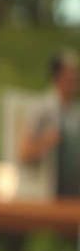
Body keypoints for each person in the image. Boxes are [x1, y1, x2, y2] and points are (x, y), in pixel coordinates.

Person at [18, 48, 80, 198]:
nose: (74, 77)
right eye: (69, 72)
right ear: (56, 75)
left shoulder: (76, 111)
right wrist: (47, 141)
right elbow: (23, 152)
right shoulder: (41, 108)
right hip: (48, 192)